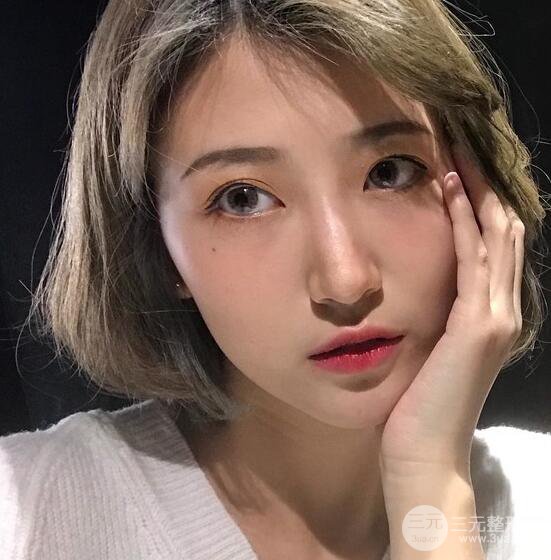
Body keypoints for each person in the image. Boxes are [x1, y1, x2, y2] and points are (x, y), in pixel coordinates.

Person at [1, 0, 550, 559]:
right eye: (243, 199)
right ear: (156, 246)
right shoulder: (24, 515)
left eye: (389, 172)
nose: (345, 281)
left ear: (481, 193)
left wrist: (430, 477)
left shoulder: (538, 500)